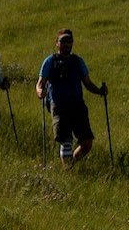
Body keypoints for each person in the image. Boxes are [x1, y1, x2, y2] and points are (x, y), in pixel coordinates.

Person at [35, 29, 107, 167]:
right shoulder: (50, 61)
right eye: (63, 41)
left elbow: (87, 83)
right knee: (65, 140)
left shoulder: (78, 61)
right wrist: (39, 92)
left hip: (77, 105)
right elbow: (40, 83)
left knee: (87, 142)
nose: (67, 44)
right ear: (57, 43)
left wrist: (100, 91)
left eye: (69, 41)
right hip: (59, 105)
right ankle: (68, 169)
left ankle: (72, 163)